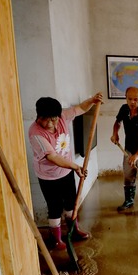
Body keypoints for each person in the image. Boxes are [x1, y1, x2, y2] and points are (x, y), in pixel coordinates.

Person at [28, 92, 103, 250]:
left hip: (66, 173)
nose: (51, 123)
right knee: (54, 206)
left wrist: (92, 100)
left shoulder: (62, 116)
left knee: (71, 202)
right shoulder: (35, 133)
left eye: (54, 119)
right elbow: (52, 157)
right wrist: (75, 166)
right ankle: (56, 238)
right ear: (39, 116)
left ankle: (74, 231)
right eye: (46, 119)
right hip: (48, 176)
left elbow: (80, 108)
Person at [110, 86, 138, 217]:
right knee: (128, 176)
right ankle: (129, 200)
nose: (133, 102)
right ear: (126, 98)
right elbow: (117, 122)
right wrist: (115, 134)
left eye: (136, 99)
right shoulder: (124, 109)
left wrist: (137, 155)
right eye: (130, 99)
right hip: (128, 150)